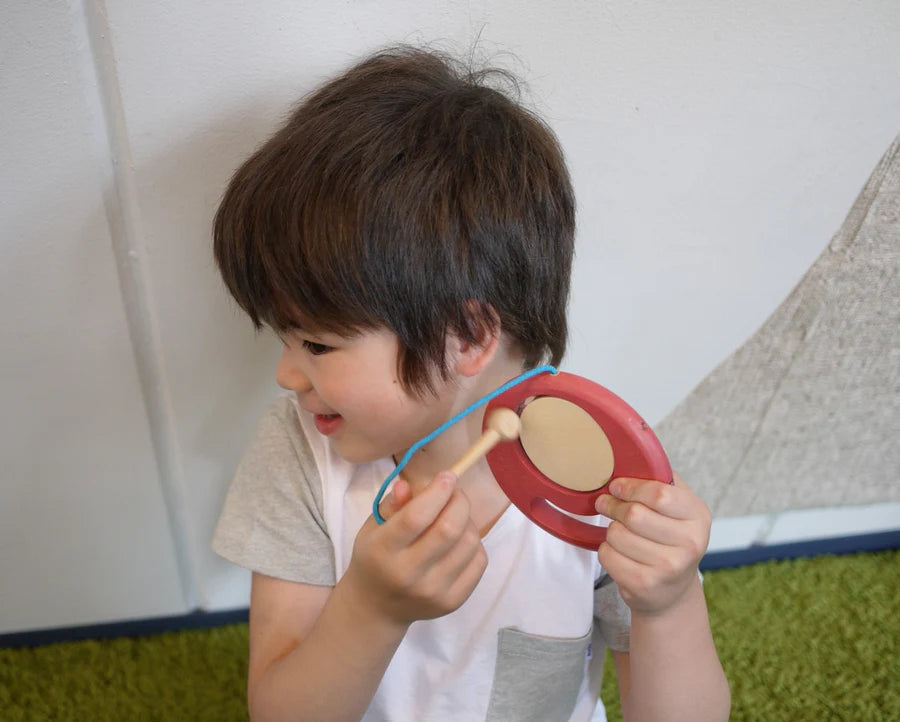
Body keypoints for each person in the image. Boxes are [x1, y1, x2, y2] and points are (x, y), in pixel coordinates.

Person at [211, 45, 730, 722]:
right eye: (283, 338)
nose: (285, 374)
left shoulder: (597, 475)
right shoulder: (299, 453)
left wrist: (671, 603)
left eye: (316, 343)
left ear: (470, 337)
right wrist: (370, 609)